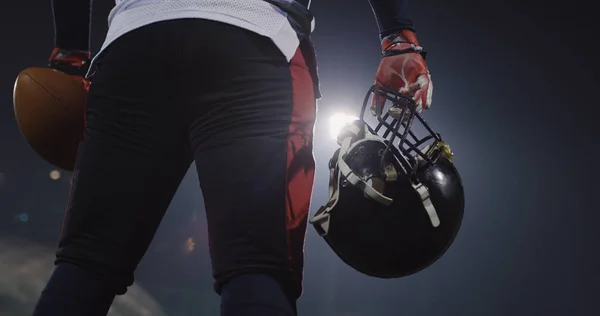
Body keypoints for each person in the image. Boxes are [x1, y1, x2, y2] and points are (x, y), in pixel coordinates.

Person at [32, 0, 432, 315]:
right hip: (256, 36)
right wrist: (397, 34)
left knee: (86, 265)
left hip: (135, 45)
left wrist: (70, 52)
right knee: (258, 268)